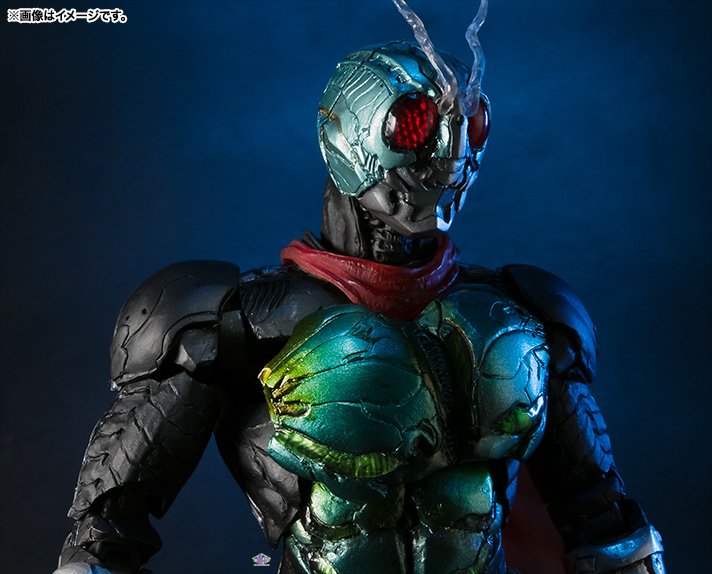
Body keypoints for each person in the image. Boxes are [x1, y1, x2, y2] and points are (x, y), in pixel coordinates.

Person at [53, 2, 665, 573]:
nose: (450, 154)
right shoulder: (230, 322)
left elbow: (607, 527)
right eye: (416, 124)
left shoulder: (525, 314)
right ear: (352, 137)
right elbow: (102, 543)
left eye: (469, 126)